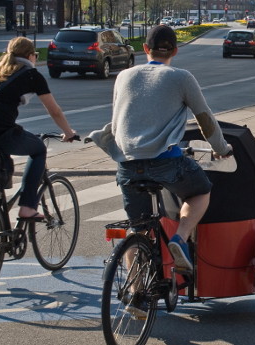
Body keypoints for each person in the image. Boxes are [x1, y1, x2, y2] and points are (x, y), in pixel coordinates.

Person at [89, 25, 232, 274]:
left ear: (145, 48)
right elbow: (204, 119)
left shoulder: (124, 76)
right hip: (165, 162)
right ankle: (180, 239)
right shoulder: (181, 77)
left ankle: (134, 293)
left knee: (138, 227)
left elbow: (119, 116)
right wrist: (221, 148)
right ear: (175, 50)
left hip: (127, 162)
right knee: (200, 191)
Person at [0, 37, 78, 223]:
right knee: (38, 149)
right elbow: (54, 111)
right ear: (30, 55)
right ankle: (27, 207)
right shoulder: (31, 75)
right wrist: (68, 132)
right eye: (36, 56)